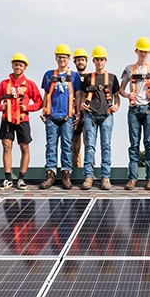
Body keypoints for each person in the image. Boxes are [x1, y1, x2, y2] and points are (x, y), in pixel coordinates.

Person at [119, 37, 150, 191]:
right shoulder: (129, 69)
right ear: (136, 51)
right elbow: (121, 89)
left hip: (149, 109)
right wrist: (128, 95)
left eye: (146, 52)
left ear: (149, 52)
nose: (143, 54)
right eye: (141, 51)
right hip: (134, 110)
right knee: (134, 144)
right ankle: (133, 178)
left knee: (149, 143)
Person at [0, 53, 42, 190]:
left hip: (23, 120)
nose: (18, 67)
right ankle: (8, 178)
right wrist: (0, 107)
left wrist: (27, 108)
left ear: (25, 67)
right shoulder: (4, 84)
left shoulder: (30, 84)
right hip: (6, 119)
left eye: (21, 65)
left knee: (24, 147)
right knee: (7, 147)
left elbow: (39, 102)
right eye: (16, 64)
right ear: (12, 65)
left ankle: (21, 178)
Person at [78, 46, 120, 190]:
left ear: (105, 61)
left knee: (106, 146)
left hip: (107, 115)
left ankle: (105, 177)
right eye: (97, 60)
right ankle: (88, 176)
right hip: (90, 114)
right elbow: (83, 95)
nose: (99, 62)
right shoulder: (89, 78)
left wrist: (116, 106)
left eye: (101, 60)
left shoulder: (112, 78)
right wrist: (82, 108)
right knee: (89, 146)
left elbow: (116, 96)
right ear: (93, 61)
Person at [39, 44, 81, 190]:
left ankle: (66, 175)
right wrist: (44, 110)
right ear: (56, 58)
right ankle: (50, 174)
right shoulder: (49, 75)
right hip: (52, 116)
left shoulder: (74, 76)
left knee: (67, 146)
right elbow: (47, 94)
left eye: (64, 57)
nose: (62, 60)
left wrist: (78, 113)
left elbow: (77, 95)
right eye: (59, 57)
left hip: (67, 117)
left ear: (69, 59)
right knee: (50, 146)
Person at [71, 48, 89, 169]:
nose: (80, 62)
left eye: (82, 60)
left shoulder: (91, 77)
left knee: (89, 144)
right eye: (78, 60)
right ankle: (76, 169)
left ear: (86, 61)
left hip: (88, 113)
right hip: (74, 113)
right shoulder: (71, 77)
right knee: (74, 145)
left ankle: (90, 170)